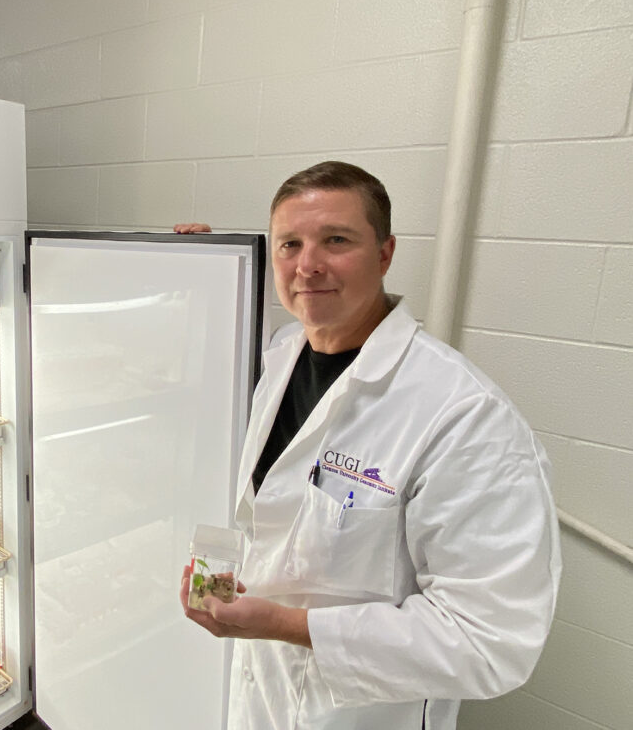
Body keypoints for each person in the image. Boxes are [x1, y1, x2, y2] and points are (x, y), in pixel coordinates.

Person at [176, 161, 560, 730]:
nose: (308, 265)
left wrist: (284, 626)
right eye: (290, 244)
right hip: (261, 699)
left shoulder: (465, 416)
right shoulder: (282, 355)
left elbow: (491, 642)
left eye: (336, 240)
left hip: (363, 716)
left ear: (385, 253)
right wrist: (197, 269)